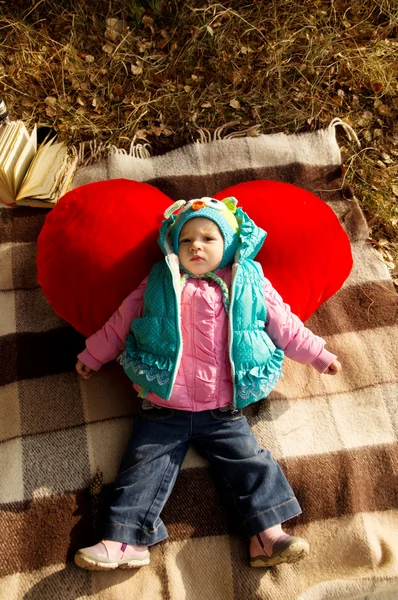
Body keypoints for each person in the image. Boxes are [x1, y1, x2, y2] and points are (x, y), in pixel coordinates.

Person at [74, 196, 342, 571]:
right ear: (173, 246)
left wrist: (318, 354)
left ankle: (267, 535)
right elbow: (121, 322)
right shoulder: (160, 281)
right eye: (186, 240)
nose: (195, 246)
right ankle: (122, 541)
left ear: (230, 244)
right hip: (163, 405)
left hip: (222, 408)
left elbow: (285, 323)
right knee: (139, 468)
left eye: (208, 238)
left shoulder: (249, 281)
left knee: (251, 463)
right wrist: (92, 355)